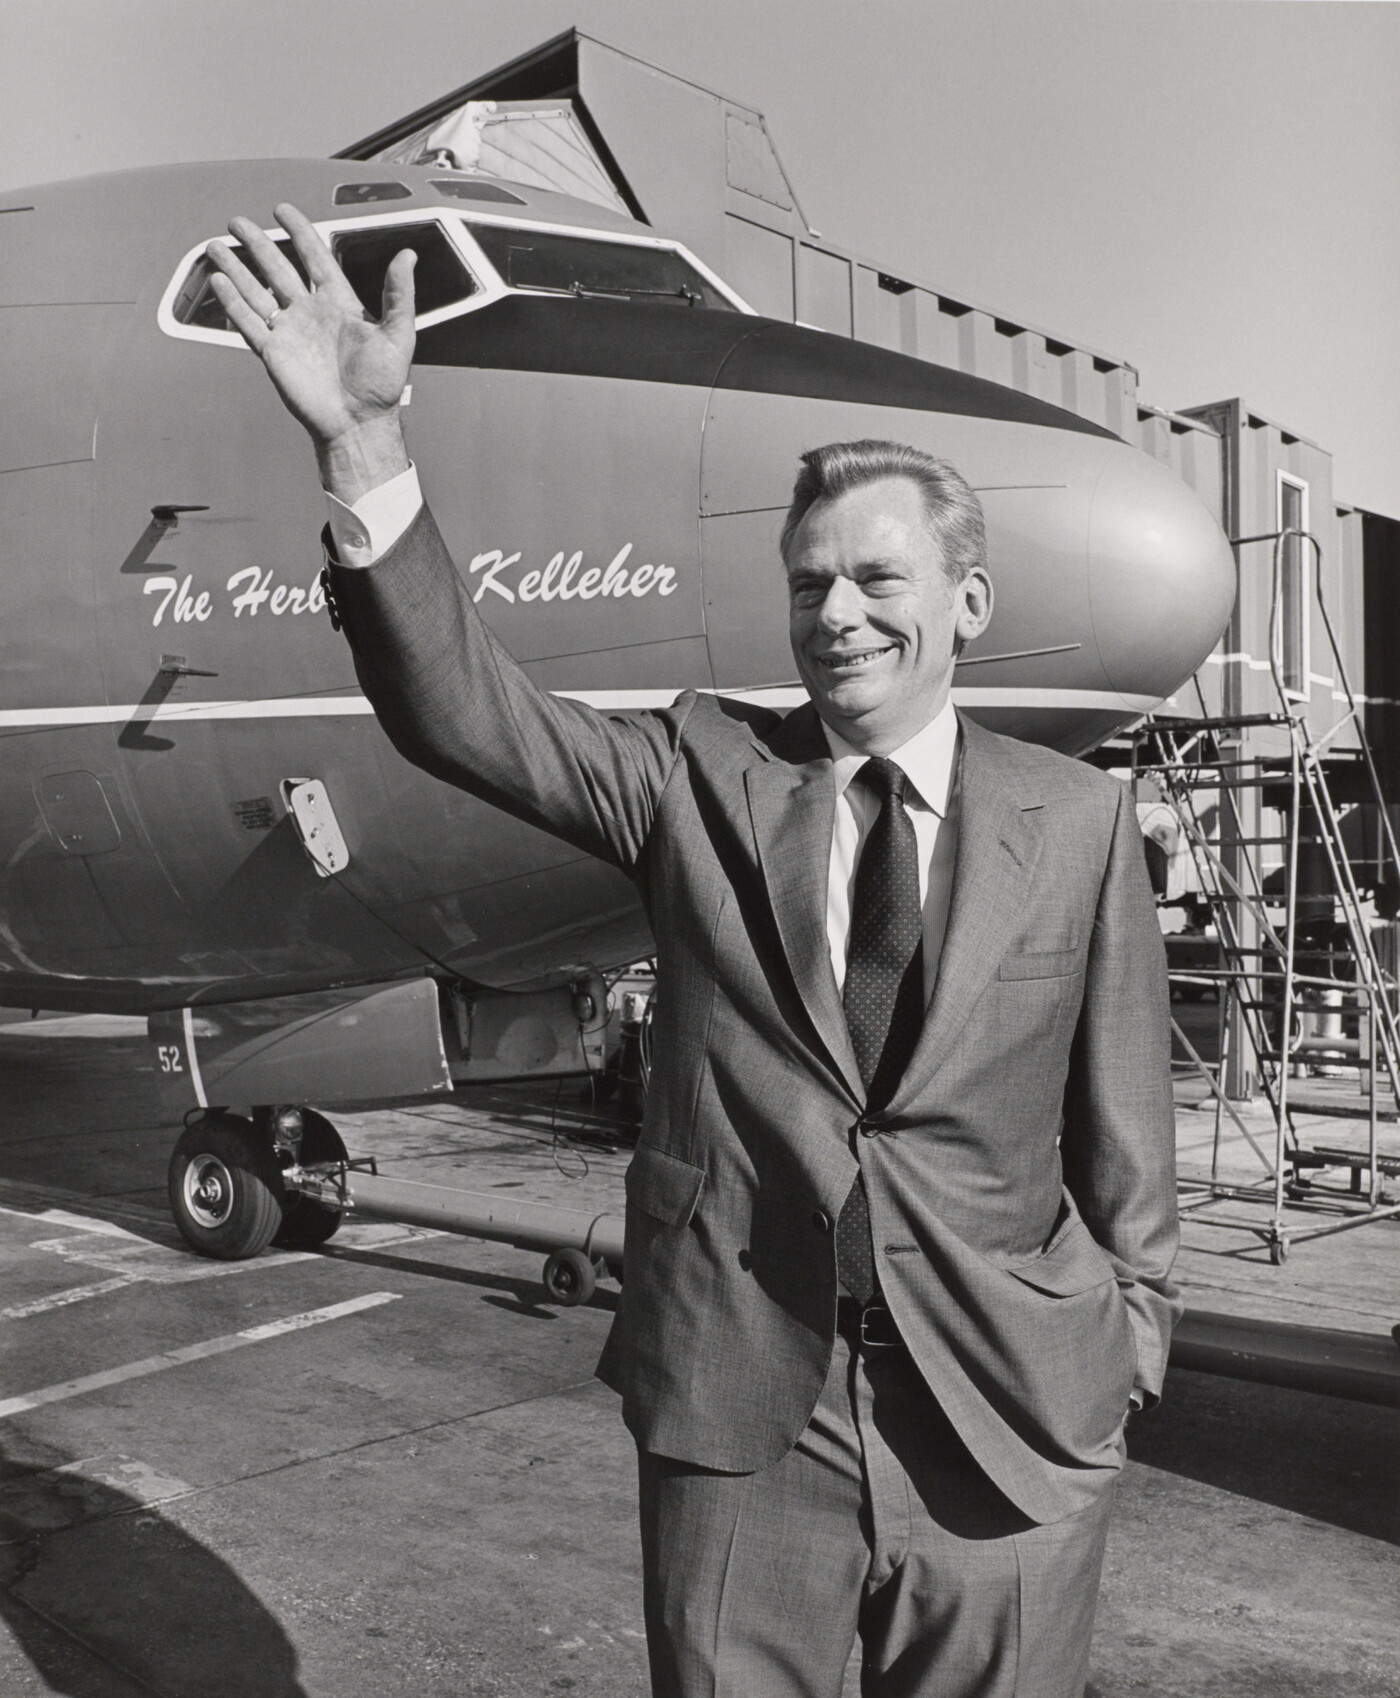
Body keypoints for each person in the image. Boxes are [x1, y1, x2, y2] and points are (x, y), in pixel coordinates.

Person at [207, 206, 1180, 1698]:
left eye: (878, 580)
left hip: (1012, 1425)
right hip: (747, 1418)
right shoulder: (701, 773)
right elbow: (468, 715)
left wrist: (1127, 1349)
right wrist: (364, 447)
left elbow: (1127, 1143)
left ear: (967, 605)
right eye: (808, 584)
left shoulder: (1081, 822)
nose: (837, 614)